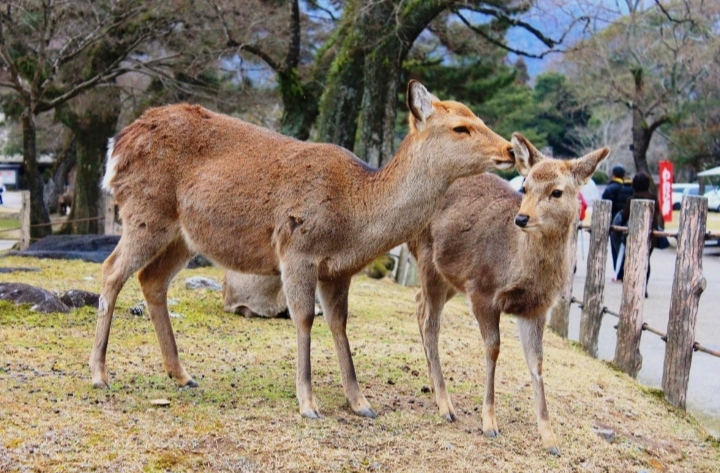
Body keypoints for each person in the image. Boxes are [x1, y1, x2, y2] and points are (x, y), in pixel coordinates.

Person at [615, 173, 664, 294]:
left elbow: (625, 215)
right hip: (650, 235)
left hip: (633, 234)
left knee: (631, 260)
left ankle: (632, 285)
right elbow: (657, 215)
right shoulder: (653, 198)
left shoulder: (632, 199)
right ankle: (644, 287)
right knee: (646, 260)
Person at [602, 165, 633, 273]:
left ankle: (618, 272)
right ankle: (628, 270)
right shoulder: (631, 188)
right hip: (630, 221)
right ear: (624, 174)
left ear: (613, 175)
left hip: (615, 221)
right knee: (630, 247)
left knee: (616, 247)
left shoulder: (611, 188)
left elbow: (604, 205)